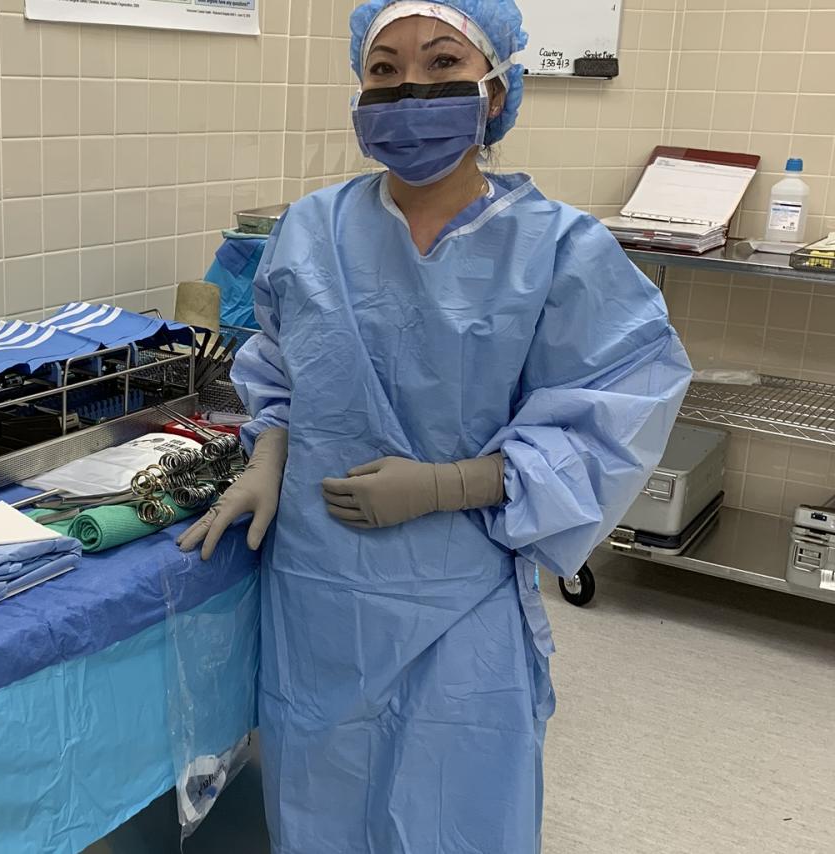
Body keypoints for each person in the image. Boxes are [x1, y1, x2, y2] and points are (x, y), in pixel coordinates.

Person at [177, 1, 693, 851]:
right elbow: (279, 368)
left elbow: (616, 413)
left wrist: (453, 484)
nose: (410, 89)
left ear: (496, 93)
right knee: (322, 802)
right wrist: (268, 455)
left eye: (444, 65)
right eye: (384, 71)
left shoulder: (559, 249)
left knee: (455, 810)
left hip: (462, 591)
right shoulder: (311, 231)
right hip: (322, 591)